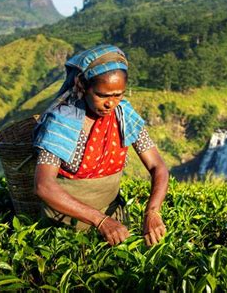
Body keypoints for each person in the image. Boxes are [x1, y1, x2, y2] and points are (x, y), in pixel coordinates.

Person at [33, 45, 168, 246]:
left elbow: (158, 167)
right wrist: (100, 220)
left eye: (118, 95)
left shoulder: (124, 115)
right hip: (63, 226)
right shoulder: (61, 122)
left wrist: (153, 212)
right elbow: (44, 186)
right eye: (102, 95)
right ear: (82, 85)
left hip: (114, 221)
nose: (110, 103)